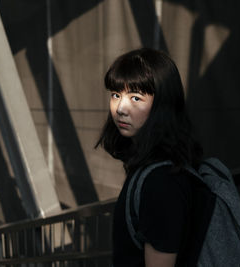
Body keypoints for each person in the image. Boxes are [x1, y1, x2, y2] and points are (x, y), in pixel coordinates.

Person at [96, 48, 210, 267]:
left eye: (136, 98)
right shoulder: (154, 170)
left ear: (162, 104)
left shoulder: (161, 181)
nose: (120, 108)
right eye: (116, 95)